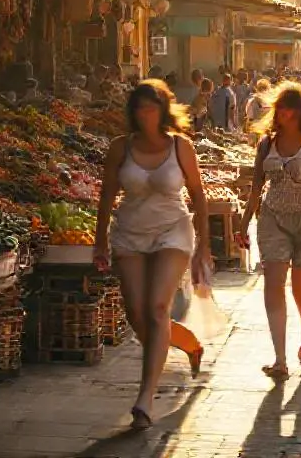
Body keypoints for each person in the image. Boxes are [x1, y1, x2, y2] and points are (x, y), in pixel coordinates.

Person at [93, 80, 212, 429]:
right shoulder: (121, 147)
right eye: (140, 108)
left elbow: (198, 194)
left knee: (157, 307)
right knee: (136, 312)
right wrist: (99, 241)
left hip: (172, 231)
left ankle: (145, 398)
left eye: (152, 107)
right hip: (129, 233)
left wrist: (204, 245)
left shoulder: (180, 146)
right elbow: (106, 195)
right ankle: (186, 344)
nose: (146, 114)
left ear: (163, 110)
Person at [236, 83, 301, 380]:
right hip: (273, 218)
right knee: (273, 284)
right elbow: (257, 187)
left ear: (300, 111)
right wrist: (243, 224)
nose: (284, 113)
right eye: (280, 107)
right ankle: (280, 359)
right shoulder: (266, 144)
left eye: (290, 107)